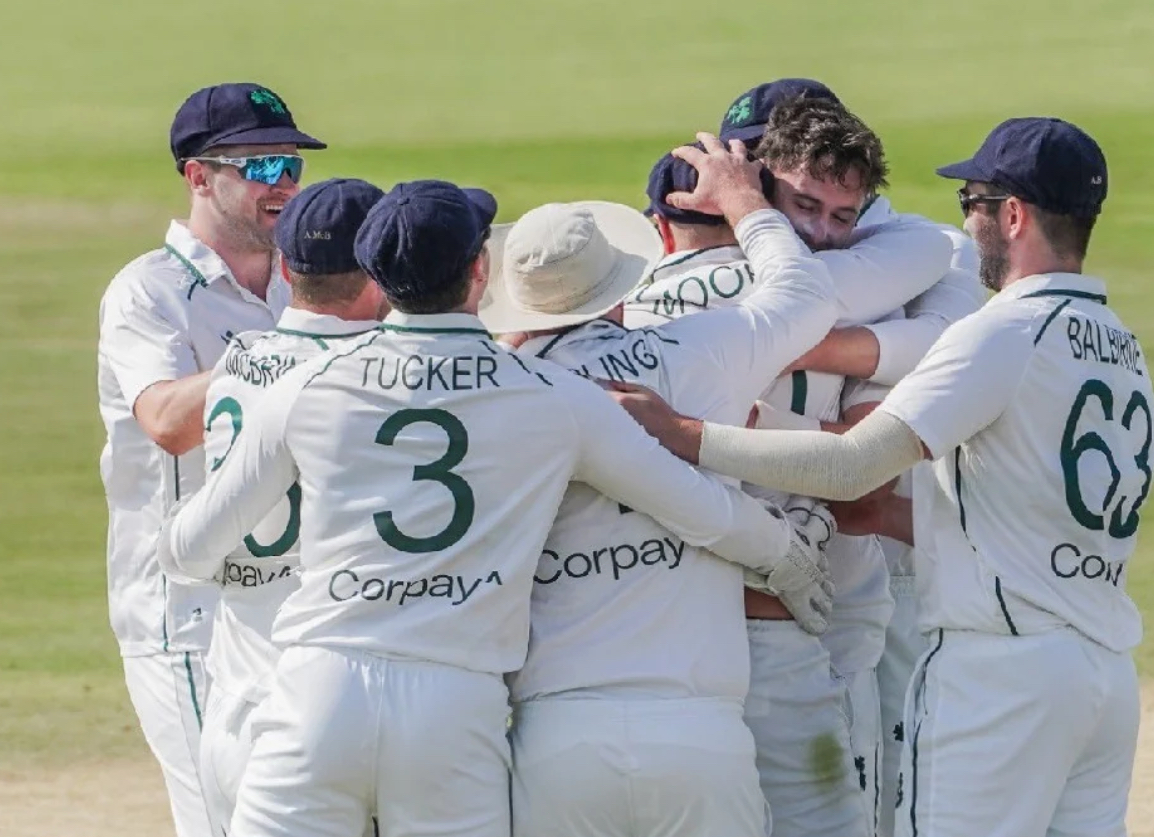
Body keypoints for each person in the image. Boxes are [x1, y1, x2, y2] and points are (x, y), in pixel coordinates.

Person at [155, 178, 832, 837]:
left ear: (377, 278)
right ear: (479, 272)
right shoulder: (553, 395)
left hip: (316, 689)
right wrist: (788, 558)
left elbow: (186, 548)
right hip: (455, 703)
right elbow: (697, 507)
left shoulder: (306, 385)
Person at [612, 117, 1154, 837]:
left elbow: (851, 464)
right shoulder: (1122, 347)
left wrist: (683, 433)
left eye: (972, 199)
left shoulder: (1002, 331)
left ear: (1014, 214)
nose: (966, 221)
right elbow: (1025, 512)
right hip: (1105, 677)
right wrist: (900, 517)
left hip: (1001, 674)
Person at [481, 135, 848, 837]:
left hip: (556, 731)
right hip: (698, 724)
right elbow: (806, 292)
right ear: (621, 281)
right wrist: (744, 202)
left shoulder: (507, 392)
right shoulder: (696, 346)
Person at [623, 127, 945, 837]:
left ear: (657, 227)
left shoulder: (624, 315)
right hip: (785, 637)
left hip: (651, 640)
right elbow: (862, 492)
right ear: (755, 200)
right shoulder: (822, 304)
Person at [718, 80, 988, 835]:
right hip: (728, 595)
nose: (822, 227)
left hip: (871, 587)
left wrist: (779, 333)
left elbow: (935, 353)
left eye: (840, 207)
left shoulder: (917, 245)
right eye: (797, 200)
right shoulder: (726, 250)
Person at [96, 81, 324, 837]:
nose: (284, 183)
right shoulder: (150, 291)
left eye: (290, 164)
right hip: (186, 613)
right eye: (259, 167)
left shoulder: (310, 283)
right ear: (200, 176)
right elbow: (164, 419)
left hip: (294, 601)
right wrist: (282, 352)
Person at [157, 178, 386, 835]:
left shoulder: (240, 359)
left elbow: (185, 549)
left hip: (235, 705)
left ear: (287, 267)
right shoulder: (373, 376)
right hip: (330, 705)